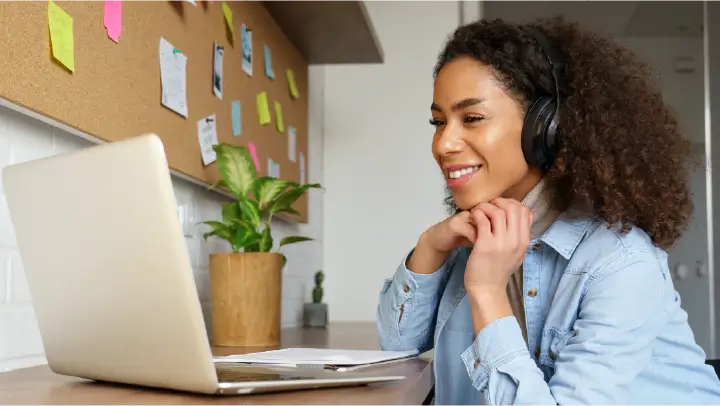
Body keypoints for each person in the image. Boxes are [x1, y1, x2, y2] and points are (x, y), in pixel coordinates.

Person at [376, 16, 720, 405]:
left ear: (546, 127)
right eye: (438, 122)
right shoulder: (475, 235)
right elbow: (396, 346)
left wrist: (487, 291)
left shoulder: (621, 263)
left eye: (471, 118)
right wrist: (431, 247)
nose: (443, 144)